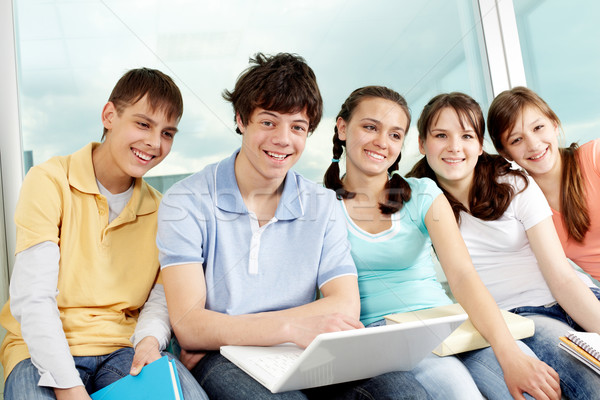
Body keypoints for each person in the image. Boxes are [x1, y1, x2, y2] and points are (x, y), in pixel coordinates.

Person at [156, 53, 431, 399]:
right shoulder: (186, 201)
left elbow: (345, 306)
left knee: (406, 393)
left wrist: (228, 325)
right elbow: (190, 326)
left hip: (306, 348)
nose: (284, 139)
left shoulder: (322, 204)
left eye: (297, 127)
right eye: (269, 122)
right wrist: (289, 325)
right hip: (226, 355)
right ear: (241, 120)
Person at [323, 86, 560, 400]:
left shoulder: (423, 193)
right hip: (387, 335)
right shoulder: (321, 204)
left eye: (395, 134)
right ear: (342, 128)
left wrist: (509, 353)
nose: (382, 142)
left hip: (450, 323)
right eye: (370, 127)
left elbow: (463, 276)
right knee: (460, 392)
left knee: (533, 387)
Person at [0, 68, 208, 400]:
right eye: (143, 124)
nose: (154, 143)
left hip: (121, 350)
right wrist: (69, 388)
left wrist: (150, 342)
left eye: (167, 133)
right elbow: (33, 298)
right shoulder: (49, 181)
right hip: (37, 351)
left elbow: (158, 300)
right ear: (109, 115)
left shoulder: (162, 210)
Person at [408, 91, 600, 399]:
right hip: (524, 316)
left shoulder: (513, 182)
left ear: (480, 146)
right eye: (441, 135)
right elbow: (460, 277)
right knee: (591, 383)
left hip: (576, 295)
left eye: (466, 135)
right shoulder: (420, 200)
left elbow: (561, 277)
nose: (454, 147)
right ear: (421, 144)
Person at [487, 86, 600, 282]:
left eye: (538, 128)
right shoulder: (527, 206)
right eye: (517, 140)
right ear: (505, 153)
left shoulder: (594, 157)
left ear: (554, 124)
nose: (533, 144)